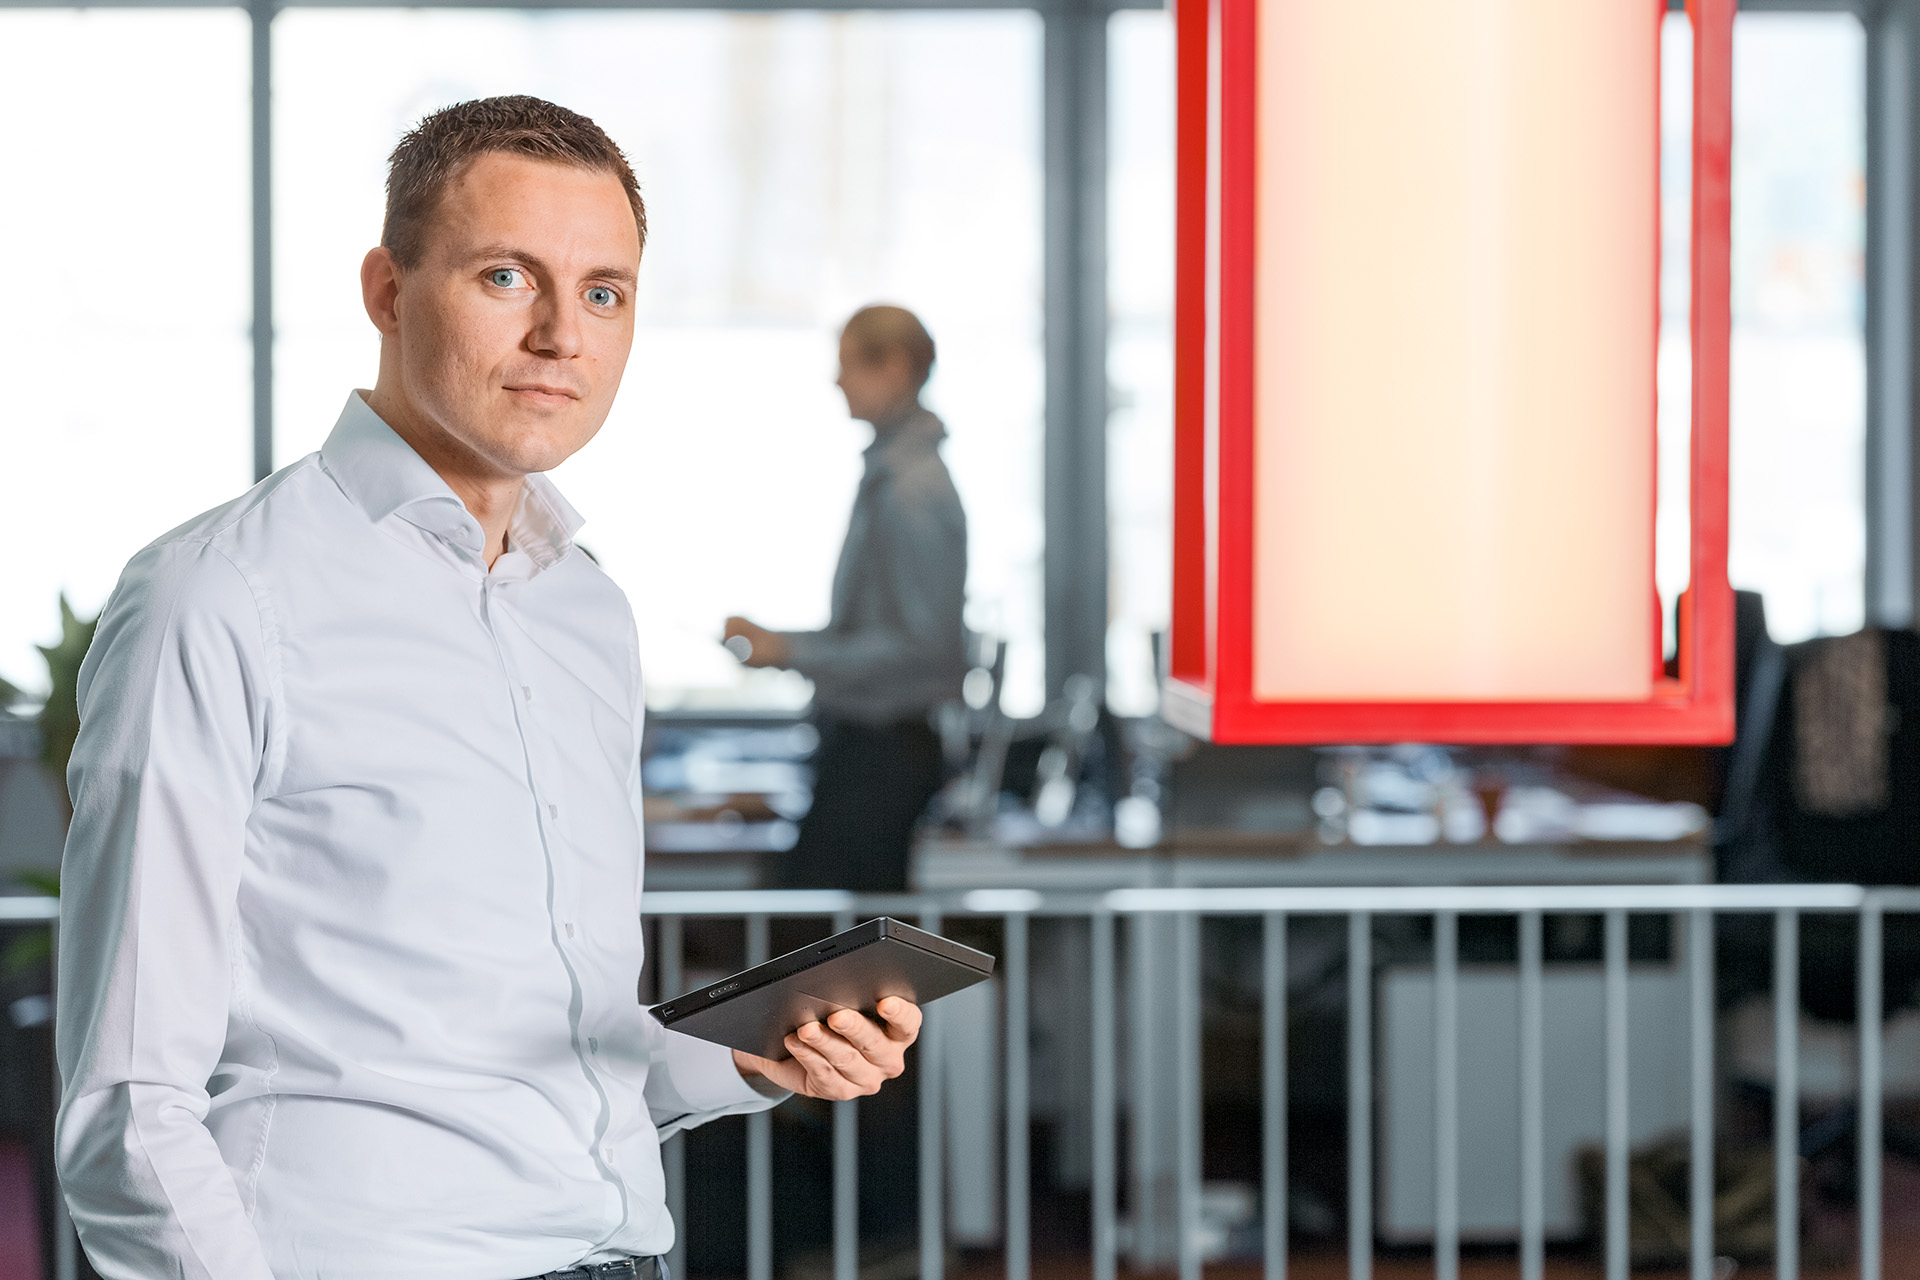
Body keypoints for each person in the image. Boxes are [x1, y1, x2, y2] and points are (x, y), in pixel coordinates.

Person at [55, 96, 921, 1280]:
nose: (565, 333)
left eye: (605, 290)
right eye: (509, 276)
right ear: (388, 291)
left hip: (620, 1254)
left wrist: (755, 1053)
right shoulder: (214, 596)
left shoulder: (587, 611)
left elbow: (565, 1046)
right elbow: (128, 1103)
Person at [725, 306, 968, 893]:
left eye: (850, 365)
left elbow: (921, 649)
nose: (838, 382)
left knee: (822, 952)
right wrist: (786, 646)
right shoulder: (892, 475)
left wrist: (790, 652)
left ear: (898, 368)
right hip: (868, 749)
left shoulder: (911, 489)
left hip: (882, 755)